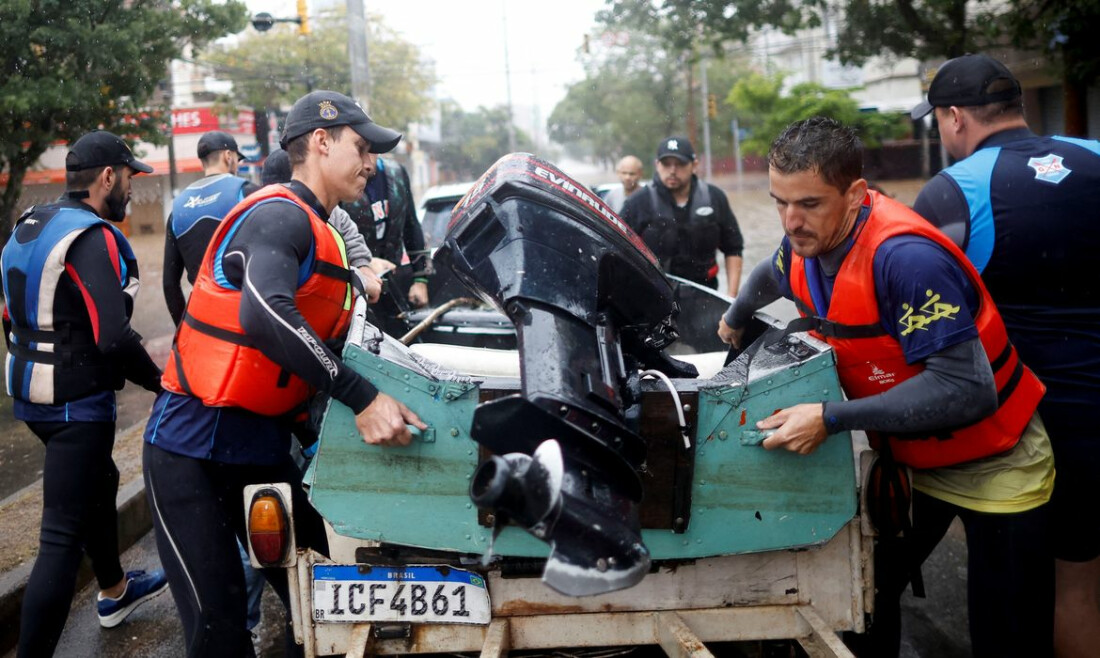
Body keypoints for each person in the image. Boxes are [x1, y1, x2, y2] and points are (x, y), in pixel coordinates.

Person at [716, 117, 1055, 658]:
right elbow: (769, 271)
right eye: (780, 202)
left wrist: (829, 418)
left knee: (1005, 631)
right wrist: (736, 313)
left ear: (854, 195)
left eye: (809, 203)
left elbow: (969, 391)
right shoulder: (803, 243)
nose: (791, 221)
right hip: (912, 461)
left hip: (996, 459)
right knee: (861, 601)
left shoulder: (905, 259)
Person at [142, 90, 426, 657]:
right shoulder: (278, 215)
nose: (372, 164)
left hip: (257, 452)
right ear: (321, 143)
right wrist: (361, 399)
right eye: (362, 148)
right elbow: (266, 311)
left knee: (327, 598)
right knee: (218, 631)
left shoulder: (324, 231)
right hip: (189, 454)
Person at [910, 53, 1100, 658]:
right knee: (1082, 585)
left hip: (1025, 429)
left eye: (938, 119)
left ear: (957, 117)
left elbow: (915, 307)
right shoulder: (1093, 155)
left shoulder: (952, 192)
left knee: (1020, 595)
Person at [1, 130, 168, 656]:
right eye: (128, 178)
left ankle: (115, 591)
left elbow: (11, 313)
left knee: (102, 477)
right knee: (59, 540)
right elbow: (113, 336)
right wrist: (162, 385)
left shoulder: (32, 224)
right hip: (75, 405)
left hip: (31, 395)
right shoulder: (91, 238)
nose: (130, 191)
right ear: (106, 177)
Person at [620, 135, 743, 295]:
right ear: (657, 165)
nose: (672, 170)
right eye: (666, 164)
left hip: (705, 294)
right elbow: (618, 251)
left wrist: (731, 300)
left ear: (694, 165)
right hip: (654, 297)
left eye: (680, 164)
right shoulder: (637, 202)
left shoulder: (715, 198)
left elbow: (734, 249)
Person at [163, 131, 259, 325]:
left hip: (203, 317)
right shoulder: (246, 192)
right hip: (244, 314)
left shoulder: (178, 207)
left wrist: (183, 328)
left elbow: (169, 284)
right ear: (228, 156)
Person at [340, 155, 430, 307]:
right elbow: (329, 237)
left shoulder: (397, 173)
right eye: (359, 149)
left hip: (393, 281)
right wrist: (364, 263)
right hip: (354, 288)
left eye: (370, 149)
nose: (366, 160)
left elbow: (411, 224)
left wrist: (420, 279)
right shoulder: (339, 180)